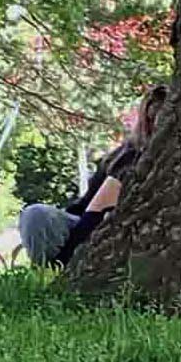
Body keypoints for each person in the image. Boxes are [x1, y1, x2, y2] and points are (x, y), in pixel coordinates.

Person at [19, 85, 168, 267]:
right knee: (36, 215)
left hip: (134, 236)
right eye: (152, 120)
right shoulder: (124, 157)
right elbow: (90, 213)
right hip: (87, 229)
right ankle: (54, 269)